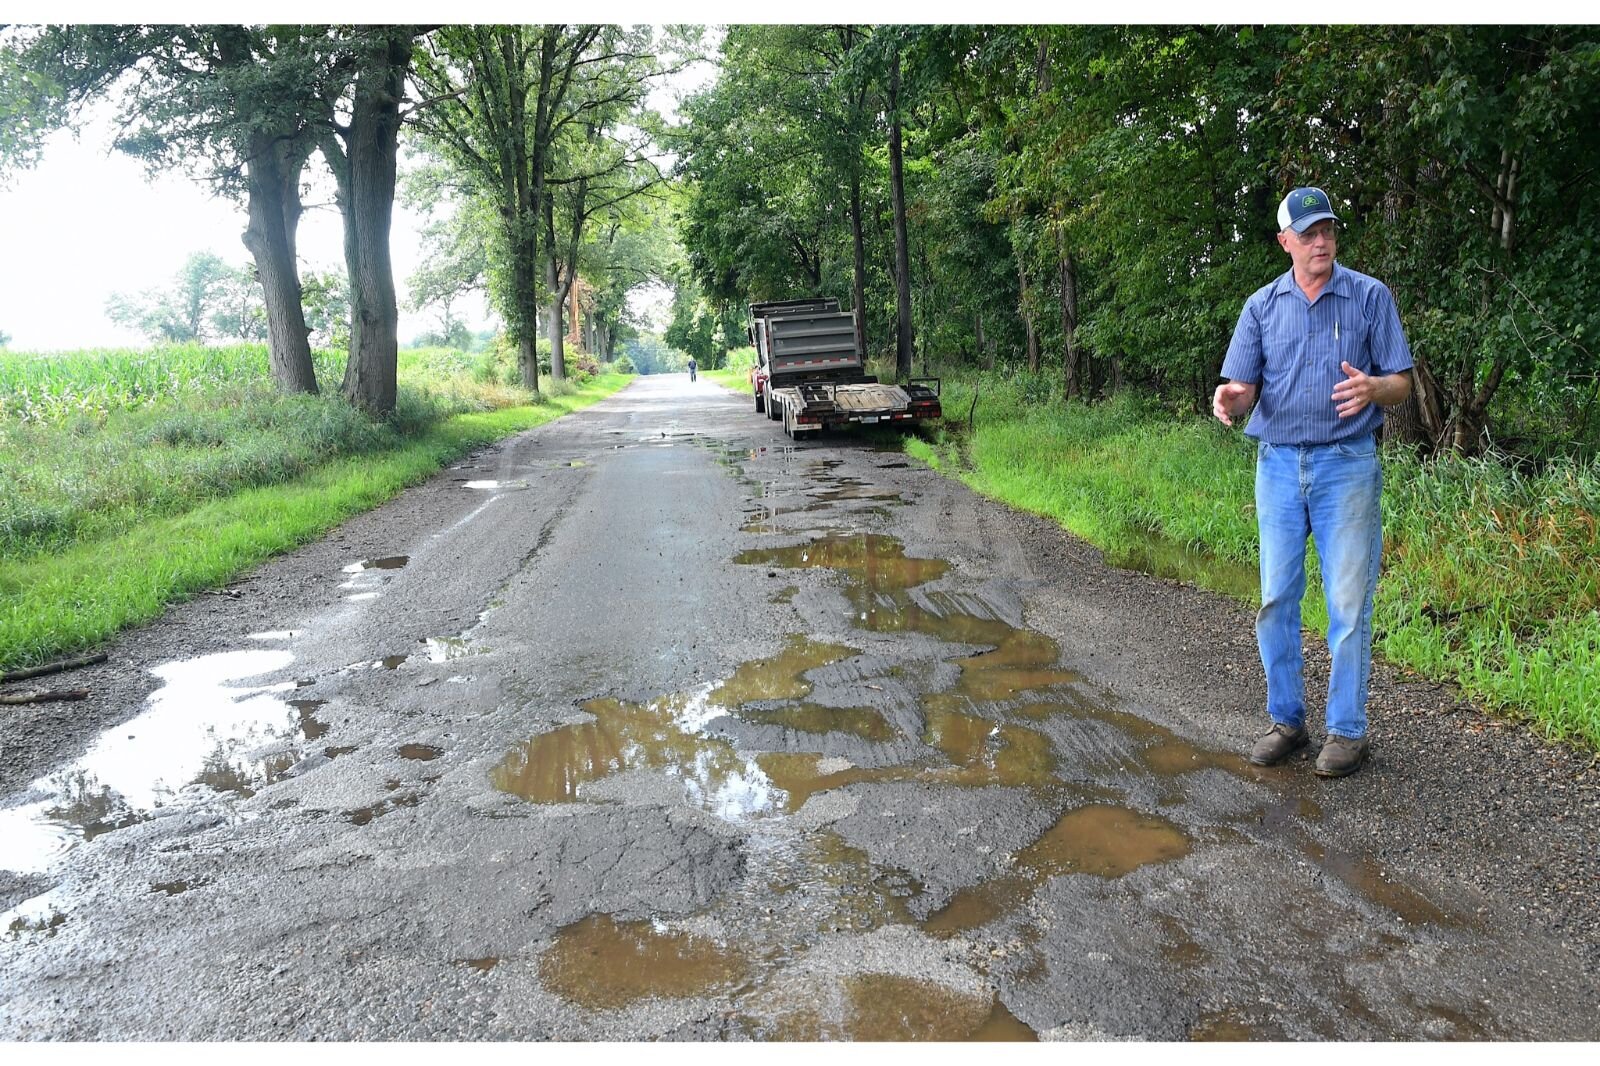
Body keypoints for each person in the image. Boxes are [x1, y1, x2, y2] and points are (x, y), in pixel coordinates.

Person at [1213, 186, 1415, 778]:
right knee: (1276, 599)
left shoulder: (1370, 297)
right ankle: (1288, 722)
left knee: (1348, 604)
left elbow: (1402, 380)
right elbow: (1244, 387)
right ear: (1285, 243)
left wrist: (1377, 388)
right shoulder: (1262, 307)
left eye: (1326, 229)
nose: (1321, 241)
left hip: (1347, 464)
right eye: (1307, 233)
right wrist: (1231, 397)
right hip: (1277, 465)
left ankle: (1348, 733)